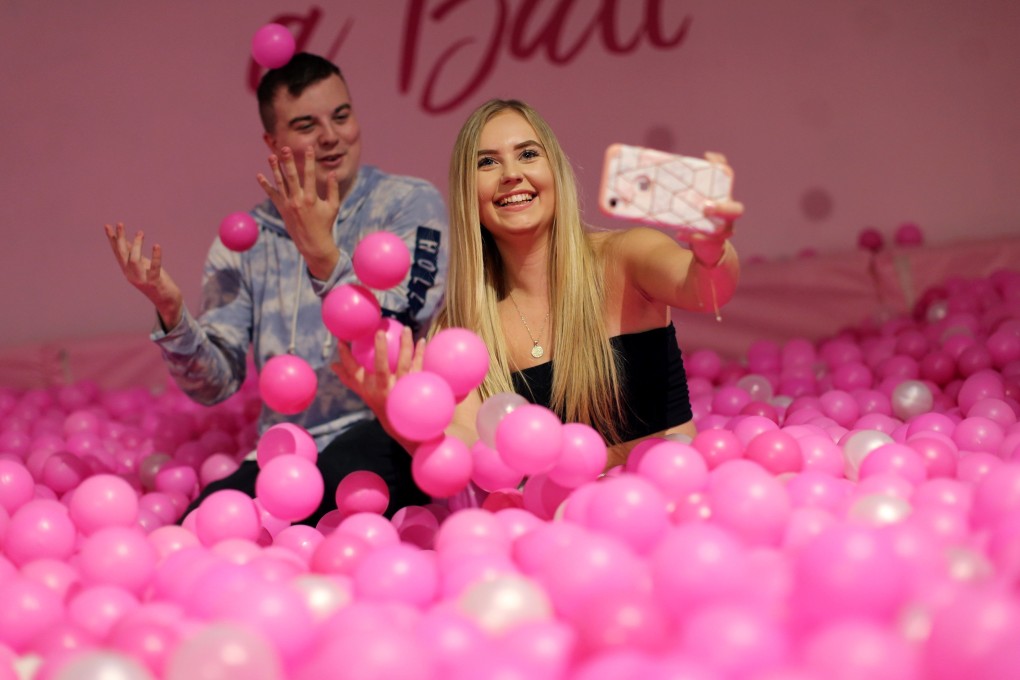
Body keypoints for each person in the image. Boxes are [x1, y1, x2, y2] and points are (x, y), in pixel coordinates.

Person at [336, 98, 741, 487]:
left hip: (671, 510)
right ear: (467, 194)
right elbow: (467, 452)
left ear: (555, 170)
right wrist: (401, 417)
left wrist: (711, 251)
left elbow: (705, 291)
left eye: (528, 154)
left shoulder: (625, 256)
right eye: (488, 162)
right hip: (558, 536)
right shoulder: (461, 330)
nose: (511, 173)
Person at [104, 53, 449, 458]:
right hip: (285, 454)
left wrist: (323, 257)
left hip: (388, 433)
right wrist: (172, 315)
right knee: (203, 513)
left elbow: (405, 327)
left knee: (347, 468)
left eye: (341, 116)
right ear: (273, 143)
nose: (330, 136)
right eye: (307, 125)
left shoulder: (409, 204)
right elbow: (215, 386)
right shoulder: (246, 244)